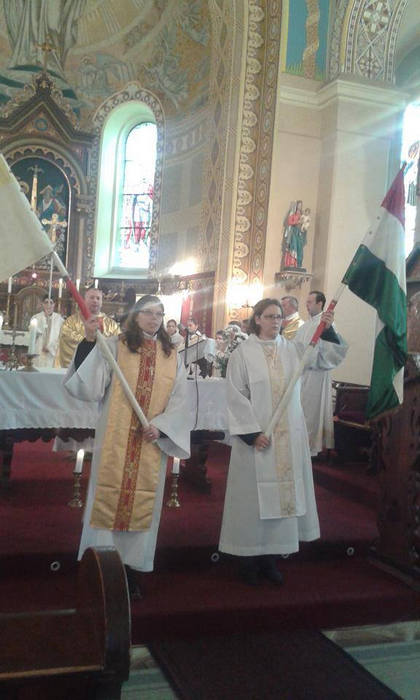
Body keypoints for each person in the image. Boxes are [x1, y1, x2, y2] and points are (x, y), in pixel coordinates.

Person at [64, 295, 190, 600]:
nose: (154, 318)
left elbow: (180, 399)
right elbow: (88, 386)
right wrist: (90, 341)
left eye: (159, 313)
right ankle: (102, 568)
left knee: (142, 507)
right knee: (108, 502)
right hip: (116, 442)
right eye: (148, 312)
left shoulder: (171, 354)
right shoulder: (115, 345)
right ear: (135, 316)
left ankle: (131, 570)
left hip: (150, 442)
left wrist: (161, 426)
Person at [218, 298, 348, 585]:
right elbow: (235, 395)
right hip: (257, 441)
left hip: (287, 440)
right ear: (257, 319)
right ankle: (248, 560)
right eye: (269, 316)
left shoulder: (294, 350)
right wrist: (251, 434)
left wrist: (328, 330)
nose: (275, 321)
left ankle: (271, 558)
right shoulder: (243, 354)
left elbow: (329, 358)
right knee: (252, 502)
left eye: (279, 317)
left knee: (281, 501)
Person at [296, 290, 344, 457]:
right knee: (300, 411)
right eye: (306, 302)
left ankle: (309, 448)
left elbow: (332, 351)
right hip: (301, 376)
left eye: (310, 302)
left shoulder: (326, 325)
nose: (307, 305)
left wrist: (309, 360)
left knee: (310, 413)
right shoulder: (304, 326)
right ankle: (298, 445)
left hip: (316, 375)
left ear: (320, 303)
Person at [56, 287, 119, 367]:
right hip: (78, 368)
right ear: (84, 300)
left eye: (98, 298)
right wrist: (91, 342)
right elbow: (68, 341)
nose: (95, 301)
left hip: (103, 369)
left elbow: (118, 346)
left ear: (101, 303)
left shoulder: (112, 325)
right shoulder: (70, 323)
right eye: (92, 297)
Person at [29, 295, 63, 368]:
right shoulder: (36, 318)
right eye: (46, 302)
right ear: (42, 304)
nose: (48, 305)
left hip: (52, 353)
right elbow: (32, 333)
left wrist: (50, 348)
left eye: (51, 302)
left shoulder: (59, 319)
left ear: (54, 304)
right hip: (39, 351)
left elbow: (61, 337)